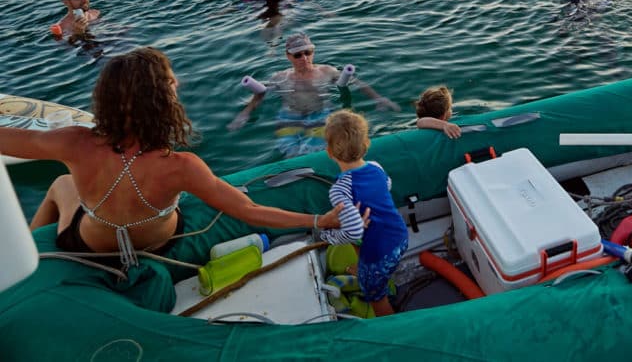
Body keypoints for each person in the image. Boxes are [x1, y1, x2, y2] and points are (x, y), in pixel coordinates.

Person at [0, 47, 345, 270]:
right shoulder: (181, 166)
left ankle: (34, 255)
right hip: (157, 241)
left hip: (91, 243)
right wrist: (319, 221)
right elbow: (250, 212)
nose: (177, 83)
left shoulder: (73, 143)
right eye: (170, 82)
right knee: (213, 196)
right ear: (160, 100)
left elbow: (13, 139)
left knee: (61, 184)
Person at [229, 33, 399, 155]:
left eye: (307, 52)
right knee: (290, 153)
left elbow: (356, 82)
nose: (304, 58)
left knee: (317, 152)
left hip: (321, 113)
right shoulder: (279, 77)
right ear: (288, 56)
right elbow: (260, 95)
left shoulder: (326, 71)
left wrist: (379, 98)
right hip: (290, 115)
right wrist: (245, 113)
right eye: (298, 54)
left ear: (313, 52)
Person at [320, 109, 408, 317]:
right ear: (366, 144)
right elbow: (387, 185)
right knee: (354, 228)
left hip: (378, 252)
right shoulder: (376, 167)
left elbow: (352, 232)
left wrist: (328, 236)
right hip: (400, 237)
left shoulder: (340, 189)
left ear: (329, 153)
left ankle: (391, 327)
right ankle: (364, 268)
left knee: (376, 297)